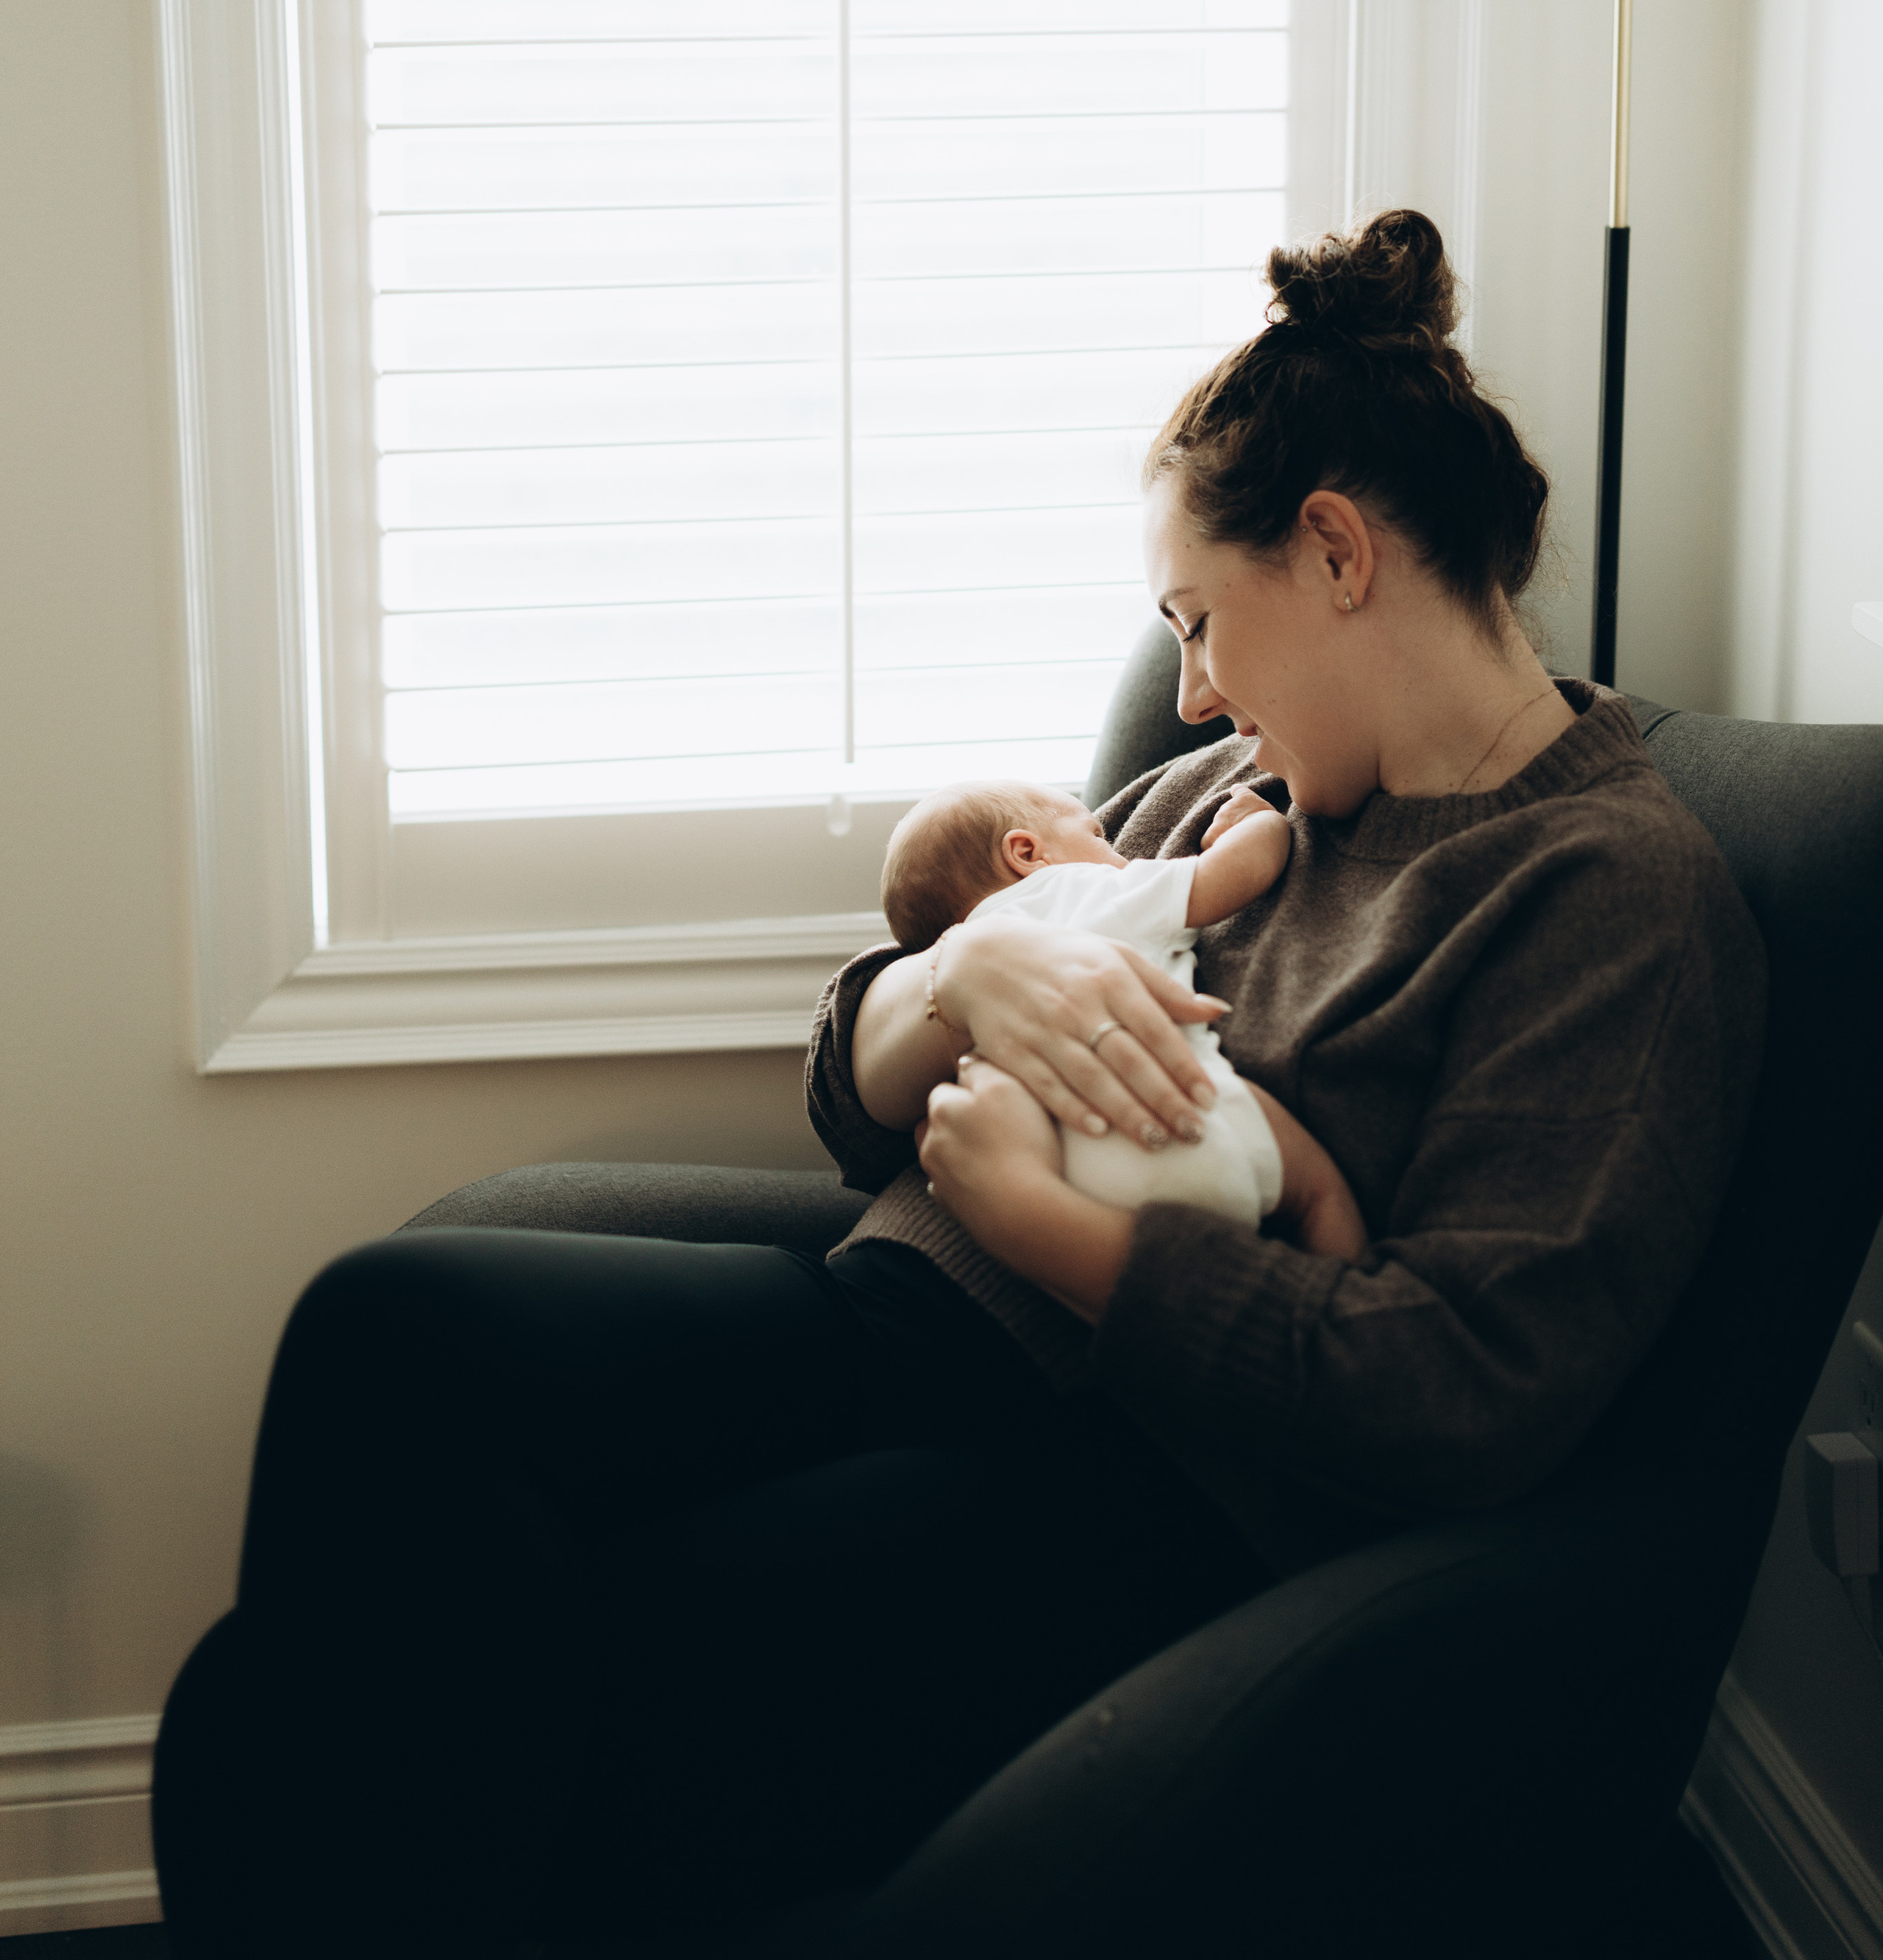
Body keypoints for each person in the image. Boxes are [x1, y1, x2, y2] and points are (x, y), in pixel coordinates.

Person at [151, 208, 1765, 1960]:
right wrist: (952, 974)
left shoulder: (1607, 899)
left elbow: (1458, 1390)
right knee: (386, 1326)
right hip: (895, 1318)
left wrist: (1057, 1233)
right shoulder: (1218, 790)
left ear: (1333, 551)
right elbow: (848, 1109)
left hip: (1131, 1481)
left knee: (404, 1695)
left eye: (1197, 618)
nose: (1194, 682)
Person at [878, 777, 1364, 1245]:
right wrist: (1262, 826)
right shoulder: (1076, 888)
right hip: (1184, 1118)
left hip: (1071, 1167)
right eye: (1099, 835)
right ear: (1026, 853)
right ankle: (1358, 1291)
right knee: (1318, 1194)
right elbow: (1228, 877)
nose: (1122, 854)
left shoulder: (963, 961)